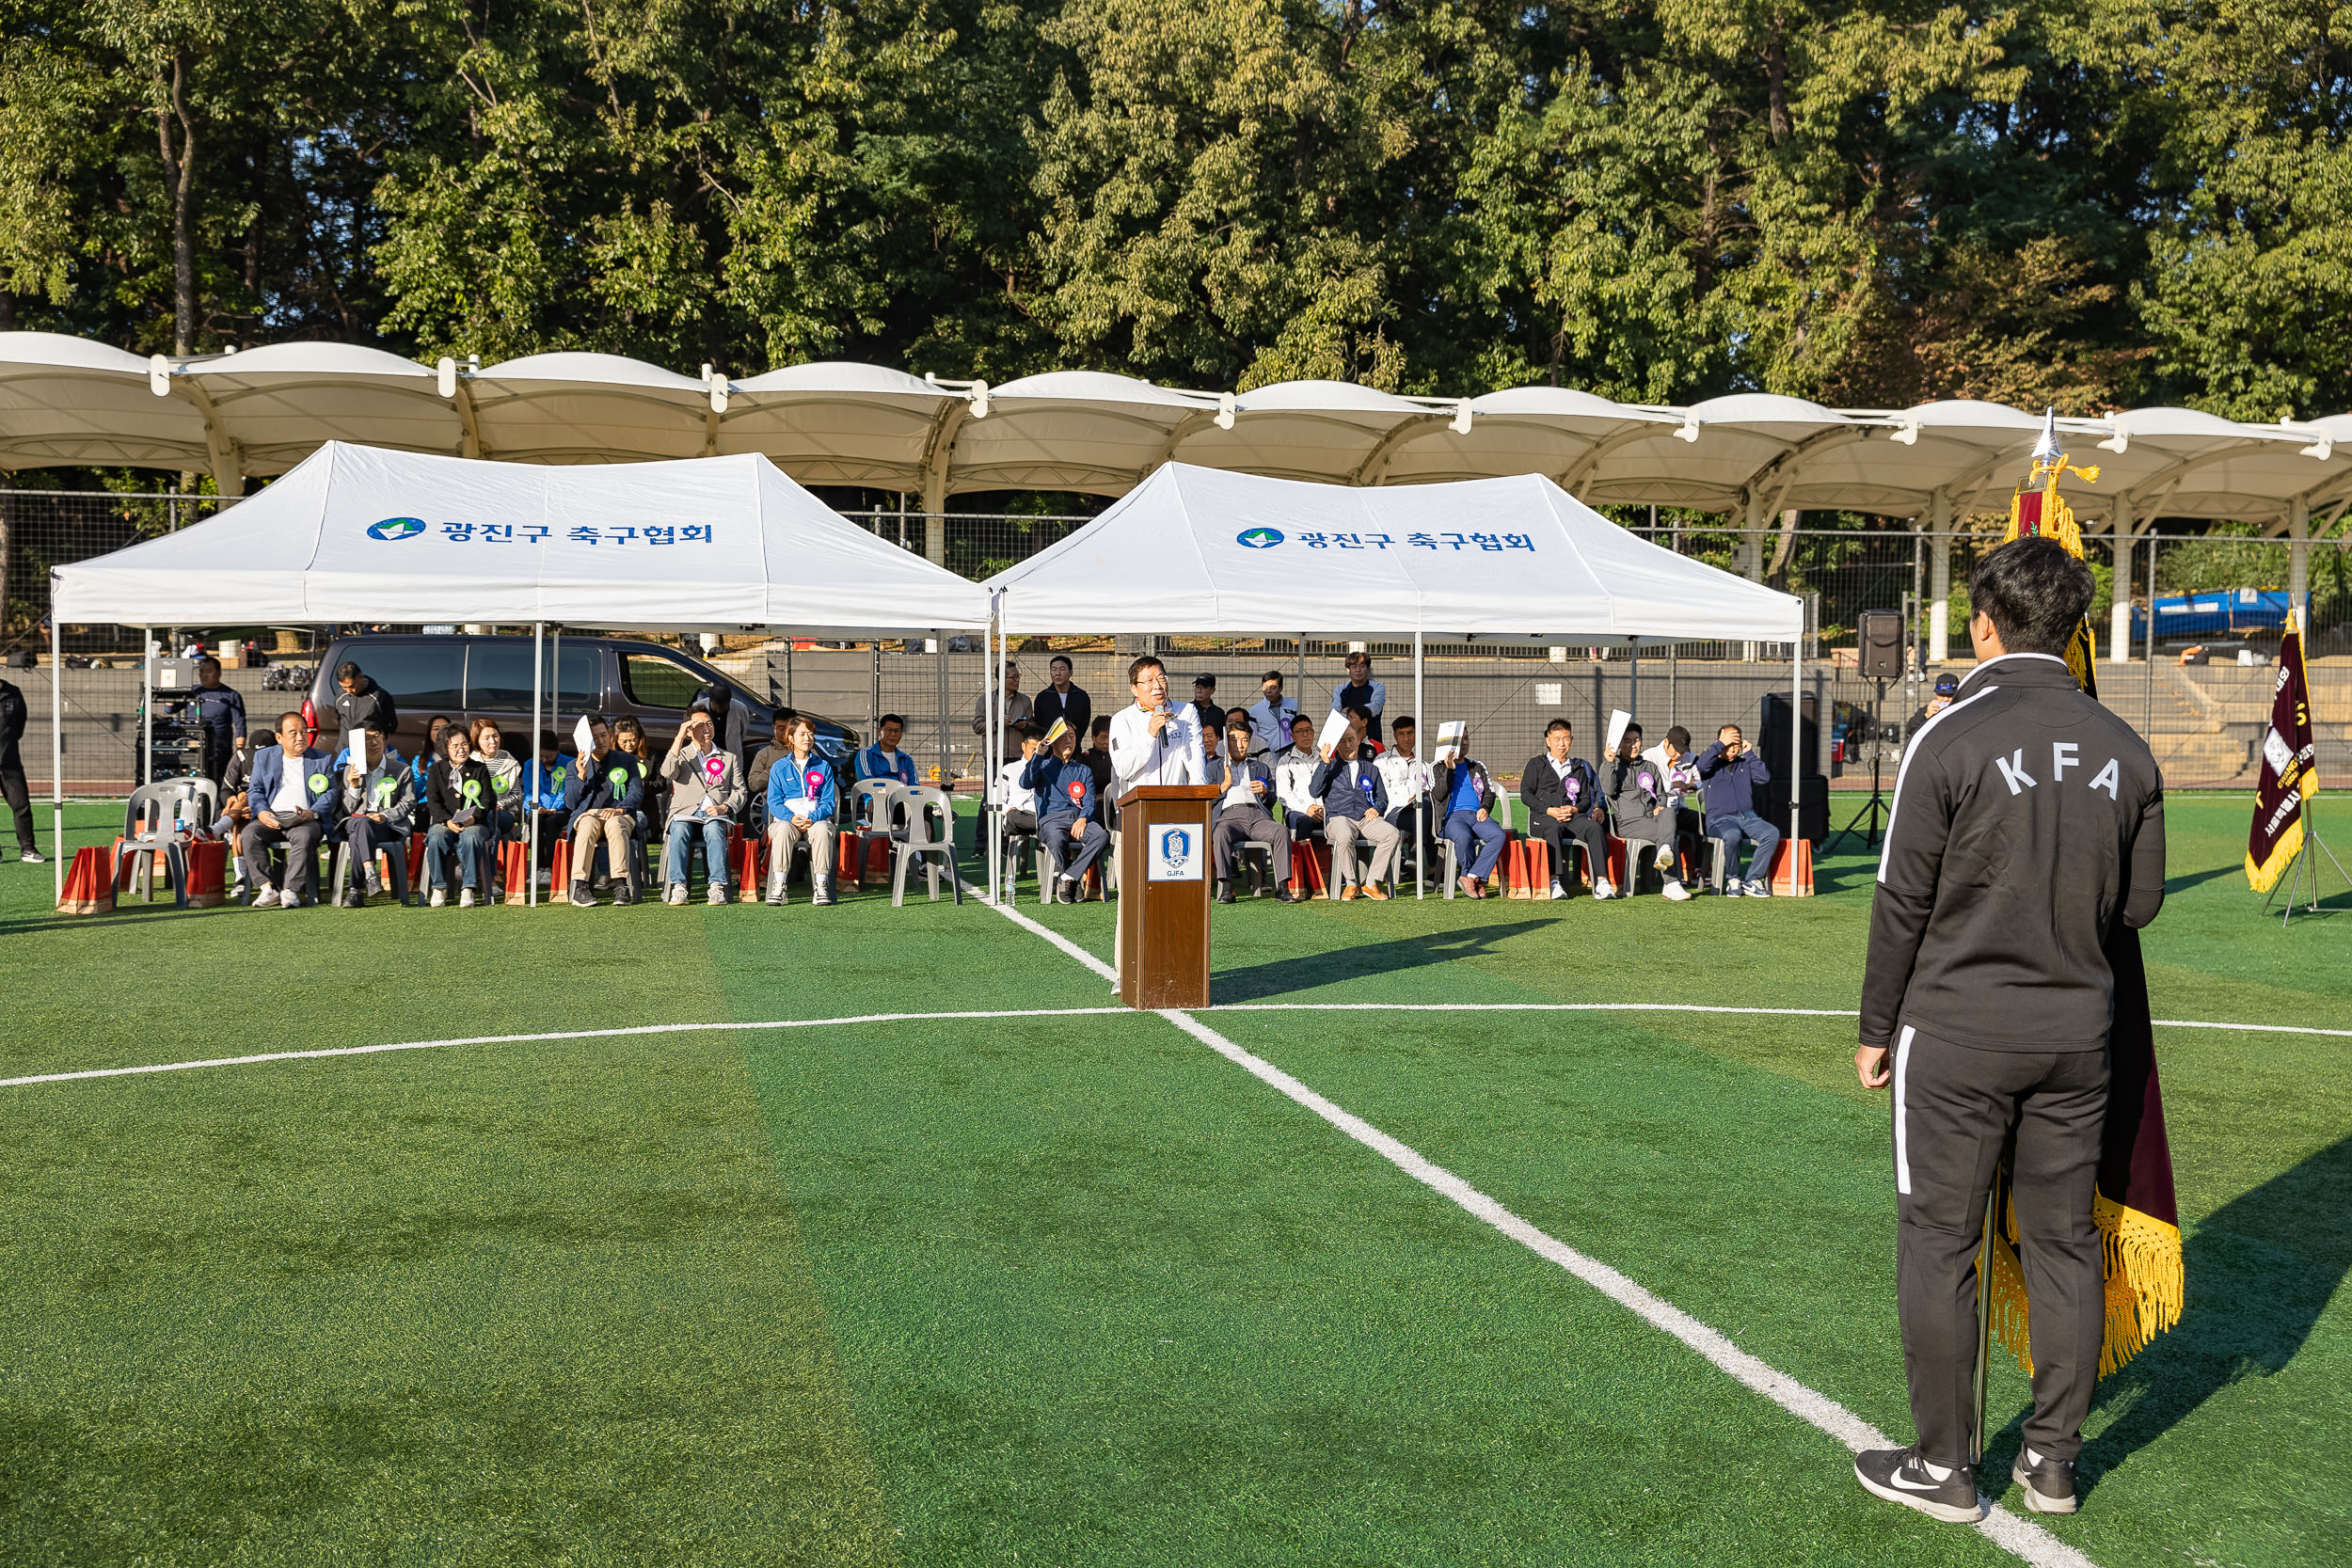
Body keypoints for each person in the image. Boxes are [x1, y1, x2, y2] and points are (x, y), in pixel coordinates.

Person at [1851, 535, 2167, 1526]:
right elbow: (2141, 906)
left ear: (1982, 624)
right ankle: (2053, 1460)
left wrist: (1872, 1027)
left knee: (1940, 1240)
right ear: (2075, 627)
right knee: (2065, 1241)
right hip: (2079, 1035)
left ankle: (1945, 1466)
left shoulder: (1945, 737)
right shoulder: (2127, 747)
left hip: (1955, 1031)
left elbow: (1900, 898)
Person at [243, 710, 337, 908]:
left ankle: (290, 891)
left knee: (304, 836)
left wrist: (312, 812)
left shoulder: (322, 759)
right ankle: (267, 888)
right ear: (279, 738)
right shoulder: (264, 757)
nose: (301, 737)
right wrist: (261, 812)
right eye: (293, 733)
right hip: (272, 817)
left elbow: (330, 793)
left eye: (304, 732)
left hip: (304, 819)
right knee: (249, 834)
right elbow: (255, 790)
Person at [658, 705, 747, 905]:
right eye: (699, 725)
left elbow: (741, 791)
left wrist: (725, 807)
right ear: (689, 730)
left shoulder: (728, 757)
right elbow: (667, 772)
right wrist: (679, 738)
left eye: (709, 724)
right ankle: (679, 887)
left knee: (715, 830)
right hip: (685, 813)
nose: (707, 729)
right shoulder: (680, 755)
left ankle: (717, 887)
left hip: (714, 813)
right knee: (679, 830)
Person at [1311, 705, 1398, 900]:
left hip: (1366, 818)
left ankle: (1371, 882)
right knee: (1343, 834)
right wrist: (1324, 763)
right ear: (1336, 745)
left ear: (1358, 740)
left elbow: (1382, 798)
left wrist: (1377, 808)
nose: (1348, 745)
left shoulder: (1371, 768)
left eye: (1351, 740)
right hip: (1339, 817)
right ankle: (1351, 883)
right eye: (1343, 742)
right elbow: (1314, 790)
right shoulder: (1329, 766)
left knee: (1391, 834)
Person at [1209, 714, 1297, 903]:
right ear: (1225, 743)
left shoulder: (1260, 767)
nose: (1239, 745)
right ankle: (1227, 887)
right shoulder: (1214, 768)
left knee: (1281, 831)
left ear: (1250, 742)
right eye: (1234, 740)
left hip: (1258, 817)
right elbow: (1204, 799)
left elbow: (1271, 800)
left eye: (1244, 740)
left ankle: (1282, 887)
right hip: (1229, 816)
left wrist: (1265, 792)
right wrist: (1222, 786)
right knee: (1221, 832)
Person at [1519, 718, 1613, 899]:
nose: (1561, 744)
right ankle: (1555, 882)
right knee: (1553, 827)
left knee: (1594, 828)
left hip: (1572, 818)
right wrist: (1548, 810)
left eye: (1566, 739)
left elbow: (1586, 799)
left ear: (1571, 740)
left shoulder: (1578, 767)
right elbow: (1526, 795)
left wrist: (1574, 810)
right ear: (1548, 741)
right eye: (1557, 739)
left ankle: (1602, 882)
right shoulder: (1536, 764)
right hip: (1544, 818)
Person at [1022, 720, 1110, 902]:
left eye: (1072, 736)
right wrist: (1038, 755)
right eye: (1063, 737)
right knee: (1056, 838)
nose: (1069, 740)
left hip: (1079, 819)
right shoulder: (1043, 766)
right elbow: (1025, 782)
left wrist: (1083, 818)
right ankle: (1074, 879)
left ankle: (1067, 877)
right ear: (1052, 741)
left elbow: (1089, 802)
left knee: (1101, 836)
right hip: (1051, 820)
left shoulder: (1083, 770)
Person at [1607, 721, 1692, 900]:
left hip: (1651, 818)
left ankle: (1665, 854)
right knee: (1667, 836)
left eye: (1636, 740)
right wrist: (1609, 763)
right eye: (1628, 741)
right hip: (1628, 823)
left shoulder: (1649, 767)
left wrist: (1660, 805)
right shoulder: (1612, 766)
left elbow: (1661, 794)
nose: (1633, 745)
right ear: (1620, 744)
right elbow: (1608, 789)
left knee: (1668, 812)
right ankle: (1670, 883)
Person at [334, 719, 412, 907]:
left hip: (388, 825)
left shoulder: (401, 770)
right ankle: (369, 872)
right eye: (367, 739)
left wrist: (386, 815)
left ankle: (355, 890)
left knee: (357, 835)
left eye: (377, 736)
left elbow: (408, 801)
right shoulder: (349, 771)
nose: (374, 742)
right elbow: (348, 809)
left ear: (385, 739)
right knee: (361, 823)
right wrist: (353, 786)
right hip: (358, 821)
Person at [567, 721, 646, 906]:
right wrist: (581, 775)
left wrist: (621, 808)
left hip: (619, 813)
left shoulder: (625, 760)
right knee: (586, 826)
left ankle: (621, 884)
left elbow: (636, 792)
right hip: (589, 814)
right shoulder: (573, 765)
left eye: (604, 735)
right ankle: (580, 886)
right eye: (595, 737)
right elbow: (570, 803)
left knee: (615, 825)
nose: (602, 740)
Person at [1695, 722, 1778, 896]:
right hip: (1718, 819)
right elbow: (1701, 766)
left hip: (1747, 817)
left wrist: (1749, 754)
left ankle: (1752, 879)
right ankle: (1733, 878)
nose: (1732, 750)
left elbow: (1763, 778)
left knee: (1771, 833)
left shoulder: (1745, 763)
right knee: (1732, 835)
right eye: (1728, 745)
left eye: (1736, 745)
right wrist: (1719, 744)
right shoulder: (1711, 765)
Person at [765, 714, 839, 906]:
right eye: (802, 734)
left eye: (811, 734)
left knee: (823, 830)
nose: (808, 738)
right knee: (781, 829)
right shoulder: (779, 767)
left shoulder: (823, 766)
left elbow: (828, 802)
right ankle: (779, 886)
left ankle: (821, 887)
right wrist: (791, 818)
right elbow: (774, 802)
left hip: (816, 821)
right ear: (791, 738)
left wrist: (813, 818)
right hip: (787, 822)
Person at [1107, 655, 1206, 797]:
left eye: (1161, 679)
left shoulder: (1186, 712)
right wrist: (1150, 735)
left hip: (1177, 801)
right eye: (1149, 681)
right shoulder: (1122, 719)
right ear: (1134, 689)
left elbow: (1195, 756)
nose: (1157, 686)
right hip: (1139, 804)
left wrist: (1198, 792)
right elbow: (1123, 769)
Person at [424, 725, 499, 907]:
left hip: (474, 822)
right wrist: (446, 821)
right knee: (436, 836)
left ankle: (469, 888)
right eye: (455, 746)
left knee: (471, 836)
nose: (461, 749)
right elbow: (433, 801)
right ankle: (439, 887)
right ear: (445, 749)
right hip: (445, 822)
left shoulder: (479, 768)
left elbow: (487, 799)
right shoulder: (436, 770)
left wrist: (473, 818)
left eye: (464, 744)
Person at [1431, 731, 1506, 898]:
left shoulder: (1477, 766)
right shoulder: (1437, 767)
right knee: (1463, 837)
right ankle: (1472, 878)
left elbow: (1489, 792)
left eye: (1466, 738)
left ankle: (1470, 876)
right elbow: (1438, 795)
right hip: (1452, 817)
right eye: (1459, 740)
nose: (1464, 743)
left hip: (1478, 815)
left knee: (1498, 835)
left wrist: (1485, 808)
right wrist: (1450, 770)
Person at [992, 721, 1043, 895]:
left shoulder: (1048, 768)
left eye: (1040, 749)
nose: (1036, 753)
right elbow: (996, 797)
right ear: (1023, 746)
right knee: (1013, 816)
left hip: (1040, 814)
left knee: (1051, 822)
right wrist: (1006, 810)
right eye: (1033, 748)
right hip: (1018, 815)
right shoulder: (1009, 769)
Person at [519, 730, 576, 885]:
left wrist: (555, 807)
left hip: (562, 809)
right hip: (539, 808)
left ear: (557, 751)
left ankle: (551, 868)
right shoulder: (530, 765)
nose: (544, 759)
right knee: (535, 820)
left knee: (552, 822)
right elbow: (529, 791)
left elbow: (568, 789)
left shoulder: (570, 763)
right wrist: (536, 807)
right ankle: (537, 868)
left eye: (548, 756)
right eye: (541, 756)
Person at [1377, 715, 1433, 863]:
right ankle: (1432, 869)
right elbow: (1381, 792)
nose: (1407, 738)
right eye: (1402, 734)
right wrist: (1406, 800)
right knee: (1427, 816)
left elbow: (1428, 789)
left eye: (1410, 733)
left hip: (1418, 810)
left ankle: (1416, 851)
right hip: (1393, 811)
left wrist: (1418, 796)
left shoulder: (1424, 764)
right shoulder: (1382, 760)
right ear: (1395, 735)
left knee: (1426, 806)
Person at [188, 655, 246, 786]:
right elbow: (170, 709)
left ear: (219, 673)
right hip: (192, 746)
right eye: (202, 672)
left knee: (219, 781)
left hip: (219, 748)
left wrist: (239, 749)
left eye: (209, 672)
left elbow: (240, 723)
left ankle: (219, 805)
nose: (204, 675)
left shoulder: (231, 695)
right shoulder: (192, 692)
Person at [0, 672, 39, 862]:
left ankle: (28, 850)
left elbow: (19, 724)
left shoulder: (13, 693)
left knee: (21, 805)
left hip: (10, 763)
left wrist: (7, 747)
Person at [470, 719, 523, 838]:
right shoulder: (470, 762)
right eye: (486, 738)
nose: (493, 741)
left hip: (503, 813)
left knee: (490, 817)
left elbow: (516, 795)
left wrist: (499, 805)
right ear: (477, 740)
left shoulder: (510, 761)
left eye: (495, 736)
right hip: (475, 812)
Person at [1274, 714, 1324, 840]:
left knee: (1339, 821)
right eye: (1300, 731)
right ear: (1292, 736)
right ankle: (1300, 859)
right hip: (1297, 811)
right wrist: (1306, 808)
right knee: (1305, 822)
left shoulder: (1323, 758)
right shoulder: (1285, 761)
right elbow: (1284, 794)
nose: (1305, 734)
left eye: (1308, 730)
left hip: (1323, 810)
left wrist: (1324, 809)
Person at [971, 658, 1033, 760]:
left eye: (1018, 676)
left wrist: (1025, 726)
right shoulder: (985, 700)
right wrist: (996, 724)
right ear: (1001, 679)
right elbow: (977, 726)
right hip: (994, 757)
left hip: (1018, 757)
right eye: (1013, 677)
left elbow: (1032, 726)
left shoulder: (1025, 701)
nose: (1017, 679)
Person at [331, 659, 398, 749]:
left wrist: (382, 743)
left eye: (351, 686)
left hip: (369, 751)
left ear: (361, 677)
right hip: (344, 749)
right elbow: (340, 719)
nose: (348, 690)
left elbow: (392, 724)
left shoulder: (380, 696)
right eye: (344, 687)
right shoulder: (341, 695)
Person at [1329, 651, 1388, 744]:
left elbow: (1375, 708)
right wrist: (1360, 714)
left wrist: (1350, 711)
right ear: (1348, 670)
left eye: (1362, 666)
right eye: (1354, 667)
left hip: (1371, 741)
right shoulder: (1340, 689)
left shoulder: (1378, 687)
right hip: (1345, 742)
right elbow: (1334, 714)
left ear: (1368, 668)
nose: (1358, 670)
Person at [1033, 656, 1092, 742]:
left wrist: (1075, 739)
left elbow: (1084, 723)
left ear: (1070, 672)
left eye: (1062, 669)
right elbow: (1039, 723)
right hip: (1049, 747)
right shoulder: (1042, 697)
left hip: (1073, 746)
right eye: (1054, 669)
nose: (1057, 673)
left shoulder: (1081, 696)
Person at [691, 680, 751, 765]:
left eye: (723, 708)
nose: (719, 711)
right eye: (716, 708)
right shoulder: (697, 708)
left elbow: (743, 731)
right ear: (710, 701)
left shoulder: (740, 708)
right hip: (705, 754)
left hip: (731, 754)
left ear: (729, 701)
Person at [1245, 670, 1299, 759]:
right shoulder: (1254, 711)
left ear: (1281, 688)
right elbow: (1254, 736)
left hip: (1291, 753)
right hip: (1268, 755)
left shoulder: (1294, 705)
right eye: (1265, 687)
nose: (1268, 691)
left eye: (1273, 687)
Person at [854, 714, 919, 788]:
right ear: (879, 731)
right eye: (889, 730)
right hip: (876, 797)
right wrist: (872, 799)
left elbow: (914, 785)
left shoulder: (906, 759)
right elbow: (866, 782)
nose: (893, 734)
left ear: (901, 734)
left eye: (897, 731)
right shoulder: (866, 754)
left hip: (901, 798)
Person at [1190, 675, 1226, 744]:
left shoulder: (1219, 713)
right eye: (1197, 687)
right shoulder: (1188, 709)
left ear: (1213, 690)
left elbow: (1222, 738)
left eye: (1203, 687)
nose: (1198, 691)